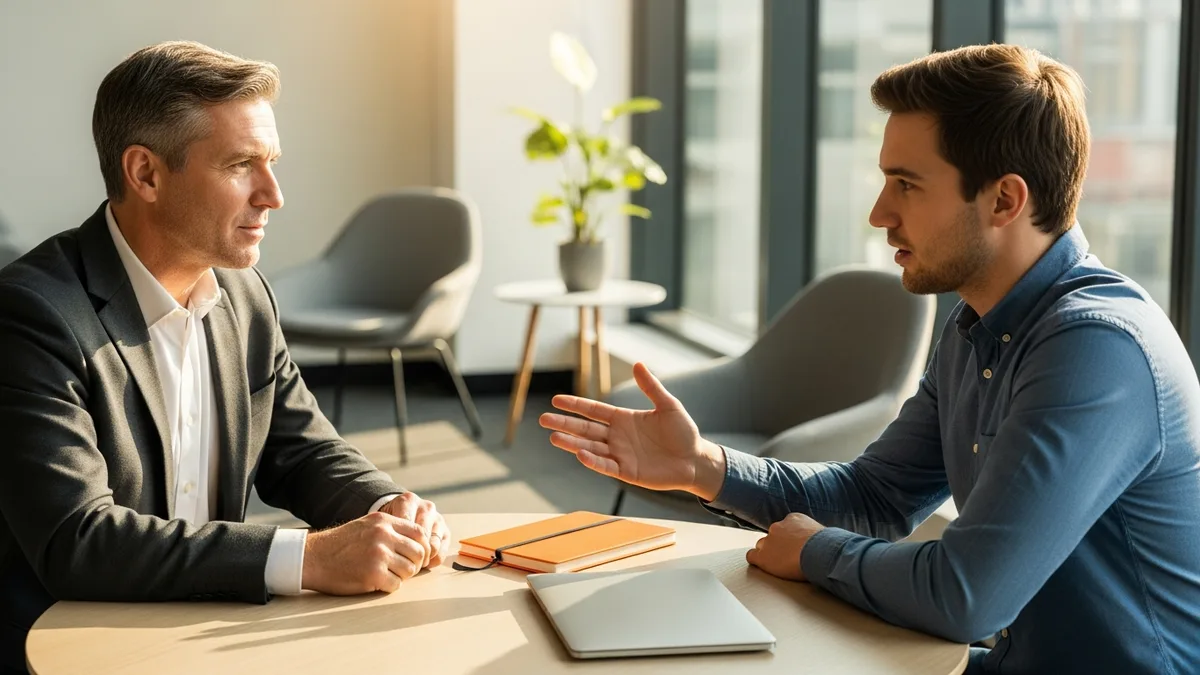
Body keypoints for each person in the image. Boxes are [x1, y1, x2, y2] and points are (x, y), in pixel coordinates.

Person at [541, 44, 1200, 674]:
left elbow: (969, 595)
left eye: (906, 185)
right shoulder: (976, 326)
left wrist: (816, 552)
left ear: (1005, 199)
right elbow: (875, 496)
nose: (879, 213)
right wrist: (700, 465)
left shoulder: (1098, 349)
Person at [0, 42, 449, 673]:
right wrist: (311, 558)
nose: (272, 194)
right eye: (242, 165)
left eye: (272, 163)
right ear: (146, 174)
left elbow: (300, 448)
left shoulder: (243, 293)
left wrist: (387, 507)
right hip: (64, 643)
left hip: (204, 632)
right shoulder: (32, 313)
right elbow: (79, 541)